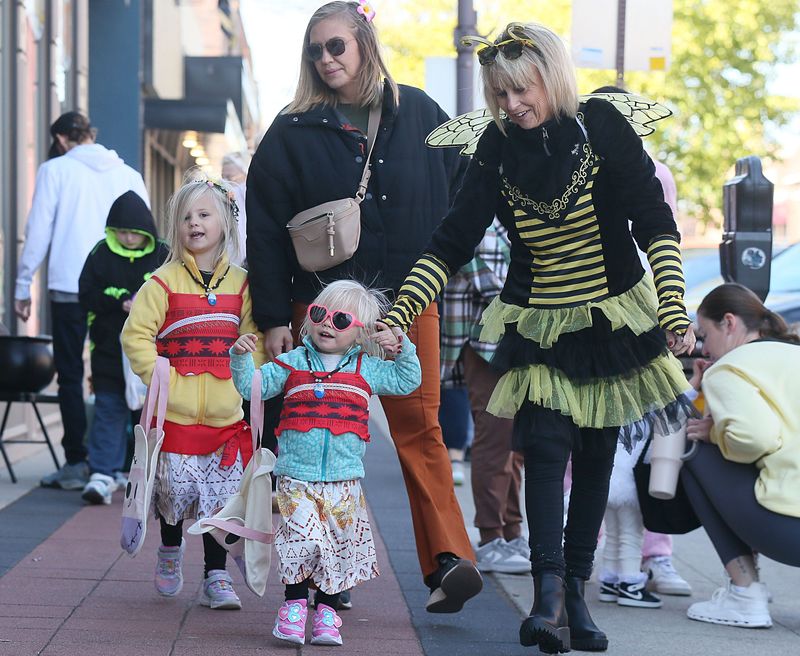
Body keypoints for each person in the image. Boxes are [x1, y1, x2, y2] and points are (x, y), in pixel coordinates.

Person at [380, 22, 697, 653]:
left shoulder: (603, 125)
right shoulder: (495, 149)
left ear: (552, 76)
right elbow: (450, 240)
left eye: (522, 90)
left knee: (597, 452)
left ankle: (577, 592)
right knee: (547, 446)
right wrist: (398, 313)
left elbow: (653, 219)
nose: (512, 106)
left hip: (612, 317)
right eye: (500, 95)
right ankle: (546, 591)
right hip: (539, 318)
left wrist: (674, 305)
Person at [245, 0, 481, 613]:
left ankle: (449, 562)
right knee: (310, 437)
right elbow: (265, 232)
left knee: (420, 427)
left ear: (365, 46)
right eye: (315, 50)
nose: (325, 59)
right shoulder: (290, 130)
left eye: (336, 46)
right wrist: (273, 319)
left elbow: (467, 199)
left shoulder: (422, 112)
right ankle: (322, 570)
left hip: (405, 303)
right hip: (320, 309)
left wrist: (439, 270)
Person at [230, 279, 421, 646]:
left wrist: (402, 347)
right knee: (300, 540)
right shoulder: (292, 363)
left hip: (344, 479)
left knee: (336, 546)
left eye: (341, 319)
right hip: (296, 477)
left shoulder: (366, 368)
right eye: (320, 314)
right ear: (309, 318)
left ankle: (328, 614)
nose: (327, 323)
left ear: (360, 331)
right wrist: (240, 358)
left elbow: (406, 380)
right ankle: (294, 607)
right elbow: (253, 387)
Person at [122, 173, 263, 609]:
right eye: (185, 216)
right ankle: (168, 549)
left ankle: (215, 576)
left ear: (225, 222)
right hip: (176, 416)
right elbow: (136, 335)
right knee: (172, 492)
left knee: (219, 502)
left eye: (204, 214)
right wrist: (163, 380)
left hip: (225, 419)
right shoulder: (161, 283)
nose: (194, 223)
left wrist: (245, 369)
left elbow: (253, 336)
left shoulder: (242, 285)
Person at [592, 85, 693, 599]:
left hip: (647, 310)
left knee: (653, 434)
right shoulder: (576, 168)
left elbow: (663, 242)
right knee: (593, 437)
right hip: (594, 316)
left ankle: (655, 554)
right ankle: (595, 552)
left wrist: (671, 311)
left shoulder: (656, 174)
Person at [14, 111, 149, 491]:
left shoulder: (55, 170)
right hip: (125, 290)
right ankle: (123, 462)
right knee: (128, 370)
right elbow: (147, 229)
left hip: (69, 287)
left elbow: (37, 230)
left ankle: (77, 460)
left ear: (60, 139)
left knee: (71, 373)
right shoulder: (128, 174)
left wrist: (23, 286)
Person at [682, 283, 800, 628]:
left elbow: (755, 437)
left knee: (694, 450)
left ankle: (745, 595)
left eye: (704, 333)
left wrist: (714, 432)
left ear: (729, 323)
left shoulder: (730, 368)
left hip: (791, 533)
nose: (703, 346)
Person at [438, 218, 529, 574]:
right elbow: (498, 288)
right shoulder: (481, 224)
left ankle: (511, 531)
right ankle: (491, 538)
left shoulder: (511, 222)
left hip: (514, 346)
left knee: (514, 446)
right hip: (488, 345)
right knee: (496, 442)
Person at [78, 191, 169, 504]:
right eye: (122, 232)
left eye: (136, 233)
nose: (129, 238)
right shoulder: (100, 254)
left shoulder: (162, 255)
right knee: (108, 407)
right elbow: (86, 294)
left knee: (151, 415)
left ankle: (152, 475)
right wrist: (119, 302)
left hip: (151, 352)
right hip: (107, 349)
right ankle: (102, 472)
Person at [221, 151, 251, 266]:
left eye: (230, 177)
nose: (225, 181)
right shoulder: (221, 195)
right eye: (223, 176)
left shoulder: (246, 192)